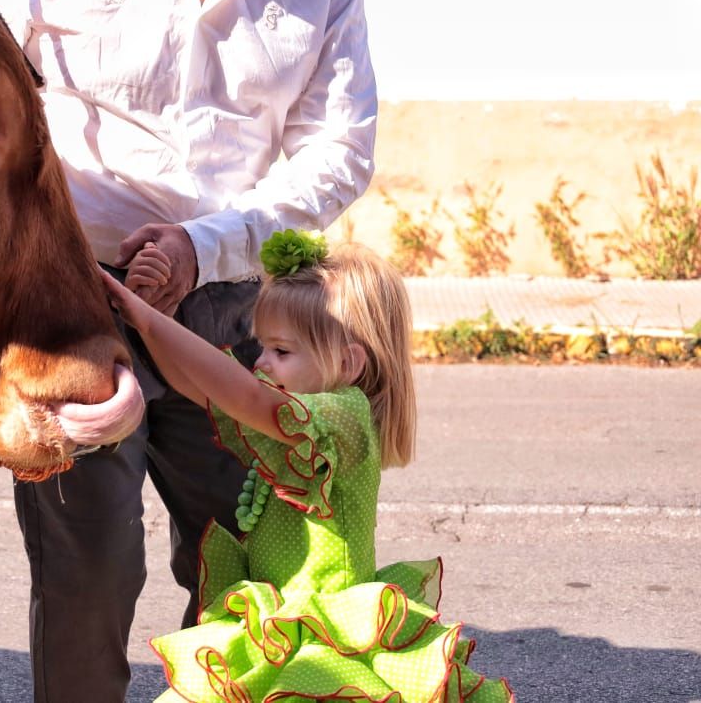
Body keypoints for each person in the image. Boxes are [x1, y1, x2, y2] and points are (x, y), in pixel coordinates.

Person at [0, 0, 377, 699]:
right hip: (77, 301)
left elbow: (340, 149)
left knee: (245, 559)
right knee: (88, 571)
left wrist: (206, 244)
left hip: (246, 321)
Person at [103, 232, 516, 702]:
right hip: (280, 627)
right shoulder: (293, 412)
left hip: (327, 637)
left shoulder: (343, 416)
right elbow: (199, 387)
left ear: (347, 362)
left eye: (281, 351)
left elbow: (242, 394)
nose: (261, 361)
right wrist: (155, 320)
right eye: (262, 346)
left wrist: (150, 320)